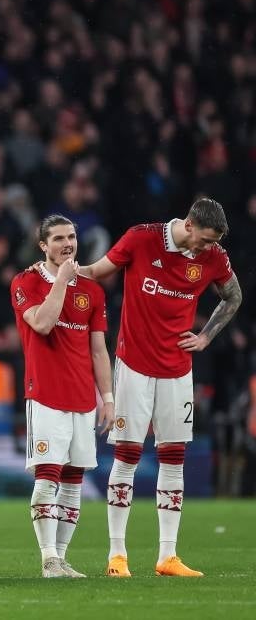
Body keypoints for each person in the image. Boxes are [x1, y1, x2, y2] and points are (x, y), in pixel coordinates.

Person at [79, 198, 242, 577]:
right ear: (188, 224)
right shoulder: (141, 239)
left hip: (177, 369)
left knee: (173, 457)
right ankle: (116, 556)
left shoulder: (214, 257)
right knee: (127, 455)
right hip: (134, 366)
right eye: (202, 240)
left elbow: (233, 295)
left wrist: (205, 337)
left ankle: (167, 556)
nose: (205, 249)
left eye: (210, 243)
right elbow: (98, 270)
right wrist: (62, 272)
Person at [10, 215, 115, 578]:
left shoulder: (93, 292)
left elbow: (99, 351)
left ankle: (62, 558)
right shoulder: (25, 281)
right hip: (45, 395)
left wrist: (109, 398)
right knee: (47, 478)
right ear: (43, 245)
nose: (67, 244)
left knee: (73, 482)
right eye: (58, 239)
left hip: (84, 400)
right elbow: (42, 323)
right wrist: (63, 283)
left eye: (71, 237)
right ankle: (48, 557)